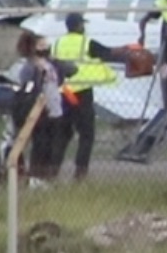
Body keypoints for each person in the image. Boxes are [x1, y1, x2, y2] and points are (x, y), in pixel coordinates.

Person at [50, 13, 123, 181]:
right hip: (81, 92)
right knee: (87, 134)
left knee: (62, 135)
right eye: (82, 24)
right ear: (78, 26)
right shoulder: (86, 43)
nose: (84, 27)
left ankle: (52, 171)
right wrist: (128, 52)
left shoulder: (57, 44)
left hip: (64, 93)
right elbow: (108, 54)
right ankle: (80, 173)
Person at [12, 30, 65, 180]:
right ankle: (36, 176)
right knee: (40, 145)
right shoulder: (30, 67)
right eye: (42, 44)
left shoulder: (50, 65)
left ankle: (46, 175)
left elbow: (65, 74)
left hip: (54, 110)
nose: (46, 47)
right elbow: (27, 87)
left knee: (51, 146)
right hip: (41, 111)